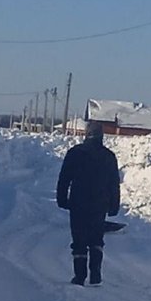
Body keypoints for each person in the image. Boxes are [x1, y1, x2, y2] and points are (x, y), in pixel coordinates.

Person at [56, 121, 120, 286]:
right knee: (96, 238)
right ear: (101, 136)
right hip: (100, 204)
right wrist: (114, 205)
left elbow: (64, 178)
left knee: (79, 240)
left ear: (86, 134)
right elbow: (114, 183)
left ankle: (80, 276)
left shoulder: (75, 153)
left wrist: (62, 198)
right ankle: (96, 272)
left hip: (78, 202)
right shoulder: (108, 156)